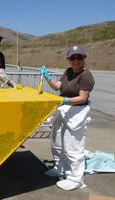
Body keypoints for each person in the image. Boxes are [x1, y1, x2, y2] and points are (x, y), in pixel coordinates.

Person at [40, 45, 95, 190]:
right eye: (72, 57)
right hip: (63, 109)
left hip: (77, 112)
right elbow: (57, 86)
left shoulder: (86, 75)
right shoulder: (68, 71)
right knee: (57, 141)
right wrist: (48, 77)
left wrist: (65, 100)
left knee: (73, 146)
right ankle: (60, 167)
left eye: (79, 57)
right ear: (68, 60)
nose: (76, 60)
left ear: (84, 58)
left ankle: (75, 178)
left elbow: (82, 98)